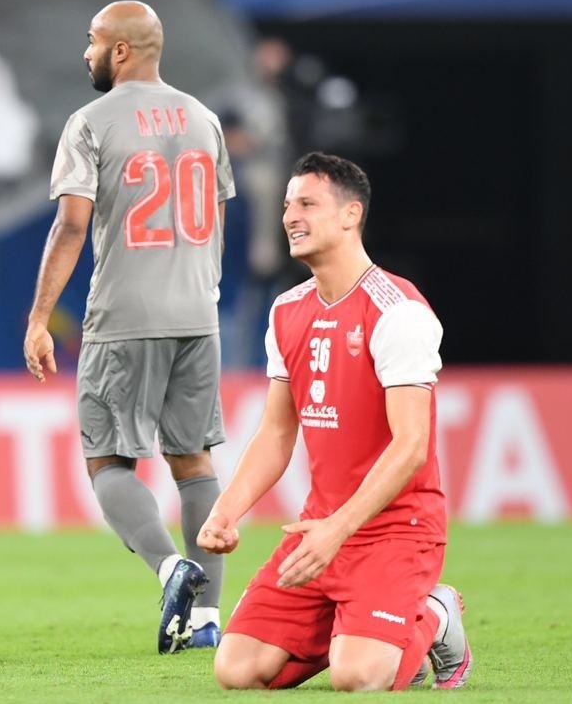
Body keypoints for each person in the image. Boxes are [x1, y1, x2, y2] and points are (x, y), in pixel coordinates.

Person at [197, 152, 473, 691]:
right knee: (236, 670)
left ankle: (435, 614)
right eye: (287, 205)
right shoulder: (287, 310)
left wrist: (338, 529)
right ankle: (360, 626)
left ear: (351, 215)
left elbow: (412, 445)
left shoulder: (398, 312)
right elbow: (277, 433)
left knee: (357, 678)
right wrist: (226, 511)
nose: (290, 216)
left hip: (395, 531)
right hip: (319, 529)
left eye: (307, 203)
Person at [23, 1, 235, 654]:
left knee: (108, 461)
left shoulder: (90, 121)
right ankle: (206, 620)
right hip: (197, 315)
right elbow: (218, 220)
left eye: (92, 41)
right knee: (194, 463)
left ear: (119, 50)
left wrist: (39, 317)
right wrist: (201, 292)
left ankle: (171, 569)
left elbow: (71, 225)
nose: (85, 53)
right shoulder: (204, 119)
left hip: (125, 317)